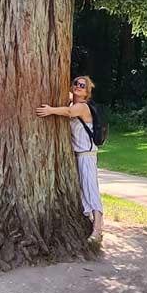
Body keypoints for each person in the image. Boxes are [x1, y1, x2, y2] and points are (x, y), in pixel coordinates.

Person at [36, 75, 103, 243]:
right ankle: (89, 220)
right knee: (80, 189)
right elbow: (68, 98)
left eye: (83, 85)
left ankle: (98, 229)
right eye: (76, 84)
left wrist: (50, 110)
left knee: (90, 189)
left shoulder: (82, 107)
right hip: (78, 155)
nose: (78, 86)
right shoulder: (74, 101)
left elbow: (68, 112)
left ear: (88, 91)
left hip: (86, 155)